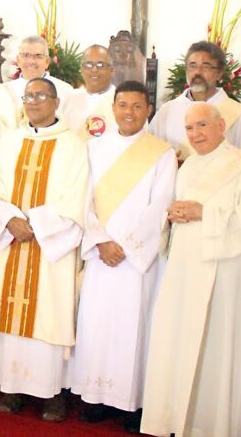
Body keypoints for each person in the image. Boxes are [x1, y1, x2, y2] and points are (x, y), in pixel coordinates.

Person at [141, 103, 241, 437]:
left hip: (223, 274)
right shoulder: (189, 166)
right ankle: (171, 420)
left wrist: (203, 213)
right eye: (190, 128)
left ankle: (208, 427)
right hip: (185, 268)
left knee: (215, 349)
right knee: (178, 342)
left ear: (221, 126)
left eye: (202, 126)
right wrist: (175, 215)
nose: (195, 135)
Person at [68, 81, 176, 432]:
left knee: (135, 327)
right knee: (97, 324)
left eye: (137, 106)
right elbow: (82, 199)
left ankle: (132, 403)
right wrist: (100, 241)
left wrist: (126, 246)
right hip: (102, 255)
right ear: (112, 108)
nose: (128, 112)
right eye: (122, 105)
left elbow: (160, 206)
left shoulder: (162, 153)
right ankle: (96, 397)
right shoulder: (93, 148)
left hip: (136, 260)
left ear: (148, 111)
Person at [0, 77, 89, 422]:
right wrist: (10, 219)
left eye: (40, 96)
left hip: (50, 248)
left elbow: (77, 197)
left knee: (50, 312)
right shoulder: (10, 141)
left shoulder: (72, 145)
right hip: (12, 240)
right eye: (28, 96)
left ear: (56, 102)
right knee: (10, 310)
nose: (33, 101)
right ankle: (11, 386)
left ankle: (52, 393)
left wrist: (38, 225)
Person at [150, 41, 241, 161]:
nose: (197, 72)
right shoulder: (167, 111)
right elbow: (151, 152)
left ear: (220, 73)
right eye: (192, 65)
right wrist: (169, 163)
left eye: (206, 66)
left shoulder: (239, 114)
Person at [4, 35, 73, 122]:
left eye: (38, 56)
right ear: (18, 60)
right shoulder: (4, 91)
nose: (31, 61)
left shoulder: (65, 90)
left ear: (47, 62)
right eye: (26, 55)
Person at [61, 44, 117, 139]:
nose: (94, 69)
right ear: (81, 70)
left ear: (111, 70)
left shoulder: (121, 100)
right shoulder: (70, 99)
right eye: (88, 65)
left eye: (100, 65)